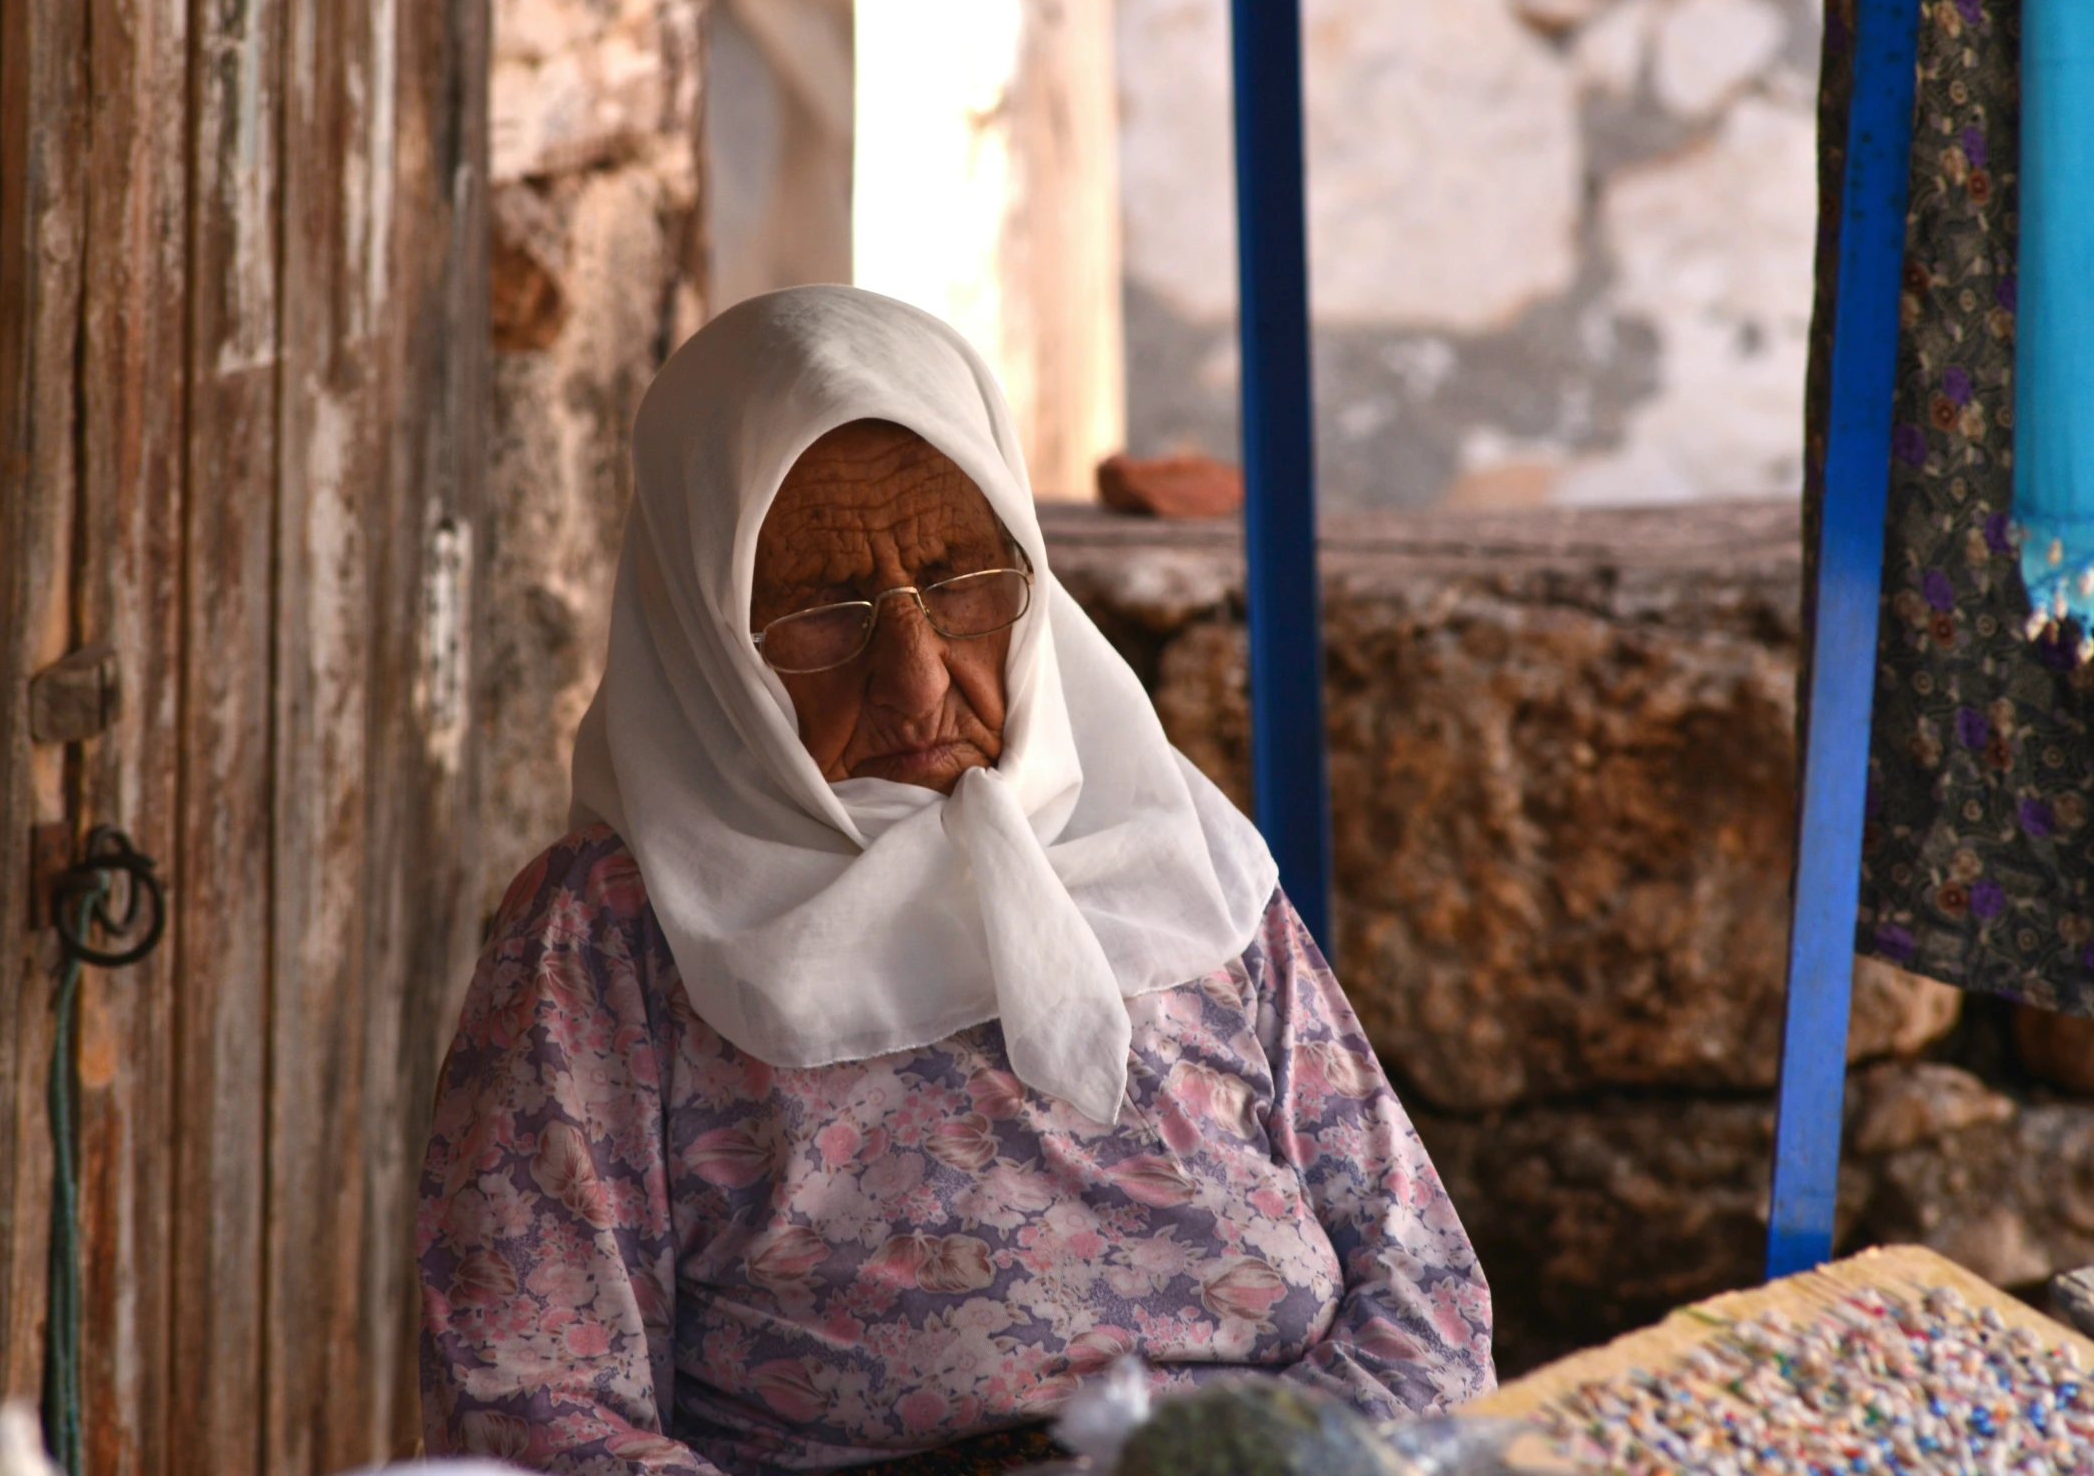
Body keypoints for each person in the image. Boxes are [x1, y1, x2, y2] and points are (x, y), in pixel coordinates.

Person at [417, 287, 1493, 1476]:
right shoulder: (609, 939)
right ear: (709, 624)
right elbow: (534, 1403)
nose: (918, 679)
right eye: (825, 611)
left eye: (962, 580)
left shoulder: (1166, 843)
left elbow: (1426, 1295)